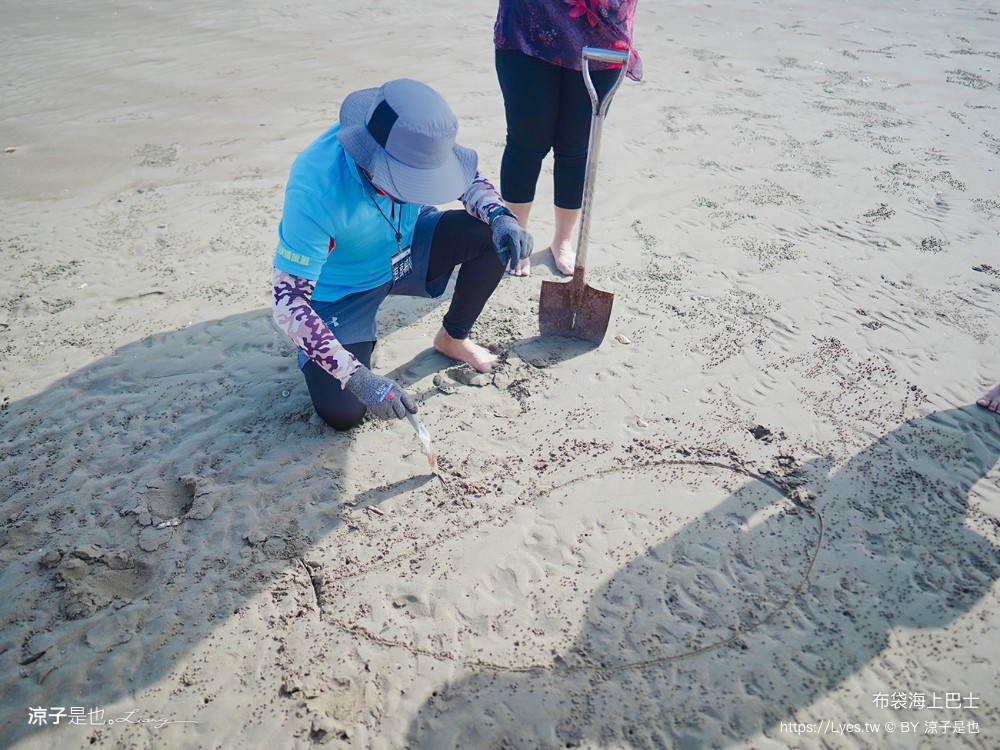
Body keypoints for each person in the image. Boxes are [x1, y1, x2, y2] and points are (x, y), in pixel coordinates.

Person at [271, 79, 533, 431]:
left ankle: (453, 337)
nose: (417, 191)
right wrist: (357, 376)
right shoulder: (316, 186)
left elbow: (467, 178)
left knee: (490, 236)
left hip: (408, 246)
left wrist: (501, 216)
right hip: (341, 293)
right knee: (343, 412)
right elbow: (288, 302)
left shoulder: (418, 137)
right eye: (407, 184)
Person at [494, 0, 642, 276]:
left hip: (602, 31)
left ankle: (562, 240)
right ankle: (517, 236)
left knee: (576, 148)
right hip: (530, 23)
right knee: (526, 143)